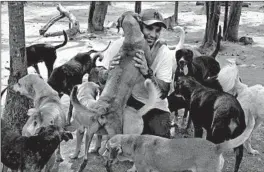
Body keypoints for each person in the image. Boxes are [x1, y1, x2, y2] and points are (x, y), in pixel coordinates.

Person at [95, 9, 174, 138]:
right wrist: (107, 72)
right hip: (129, 101)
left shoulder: (164, 52)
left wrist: (147, 73)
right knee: (118, 136)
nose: (153, 35)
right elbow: (96, 74)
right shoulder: (121, 44)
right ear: (139, 26)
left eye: (157, 30)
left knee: (158, 139)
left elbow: (164, 92)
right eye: (149, 28)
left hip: (155, 105)